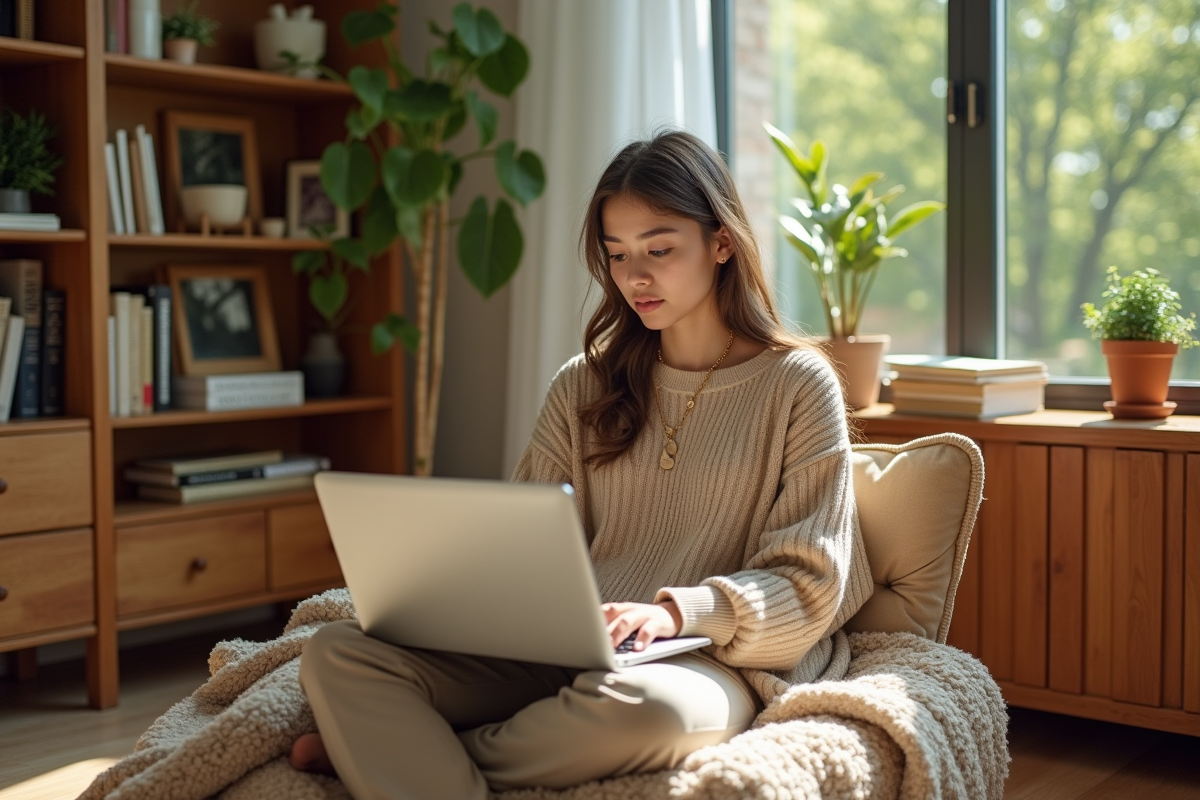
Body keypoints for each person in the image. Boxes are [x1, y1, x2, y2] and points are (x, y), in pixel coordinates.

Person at [290, 130, 874, 799]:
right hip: (563, 647)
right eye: (617, 254)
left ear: (721, 243)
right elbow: (522, 547)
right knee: (338, 651)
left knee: (650, 712)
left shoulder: (798, 383)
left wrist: (676, 614)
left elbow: (808, 585)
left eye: (659, 249)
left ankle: (398, 756)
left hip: (701, 657)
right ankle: (399, 753)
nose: (635, 277)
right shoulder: (583, 384)